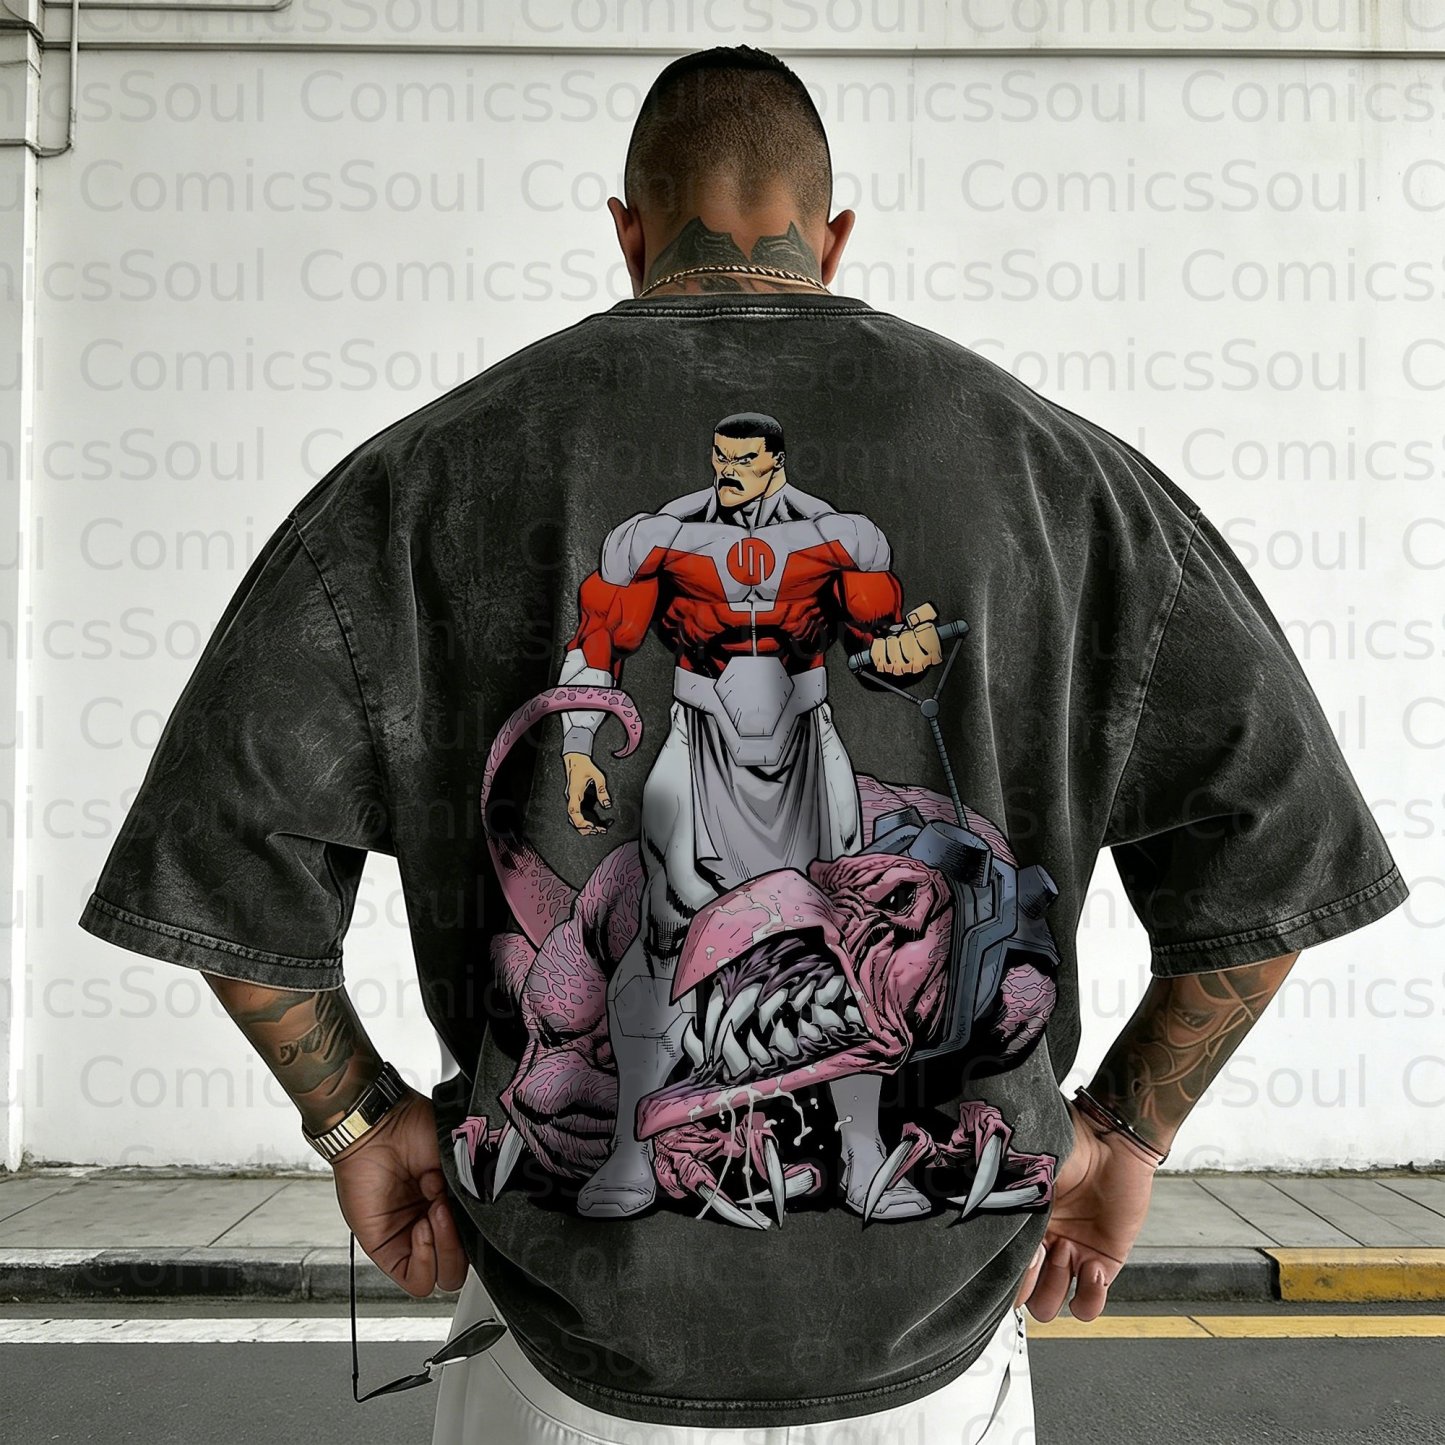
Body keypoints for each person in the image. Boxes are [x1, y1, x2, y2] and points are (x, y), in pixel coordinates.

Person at [78, 45, 1409, 1445]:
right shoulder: (1046, 476)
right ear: (832, 241)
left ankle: (863, 1153)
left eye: (756, 467)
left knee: (847, 921)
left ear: (628, 233)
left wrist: (356, 1121)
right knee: (659, 929)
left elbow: (221, 854)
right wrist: (1130, 1128)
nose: (742, 481)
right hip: (907, 1350)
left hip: (567, 1367)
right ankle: (629, 1153)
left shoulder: (434, 474)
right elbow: (1278, 851)